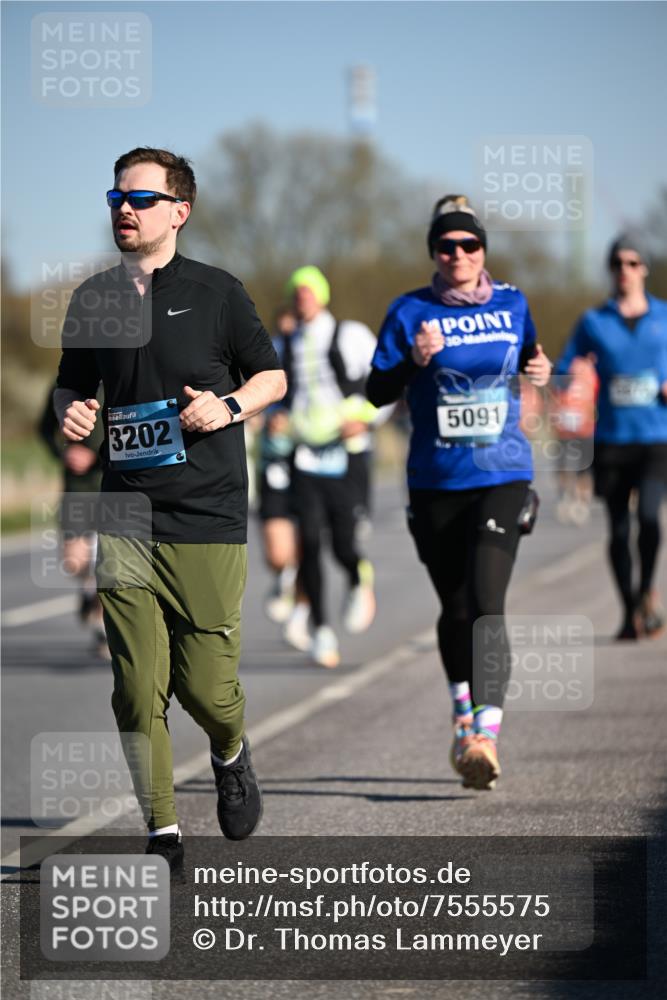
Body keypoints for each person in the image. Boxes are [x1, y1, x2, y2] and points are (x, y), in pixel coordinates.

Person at [53, 147, 286, 871]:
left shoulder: (217, 293)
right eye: (117, 198)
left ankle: (229, 748)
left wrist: (228, 406)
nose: (125, 209)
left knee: (208, 689)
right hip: (124, 511)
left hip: (207, 513)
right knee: (134, 688)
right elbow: (69, 386)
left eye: (142, 199)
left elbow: (273, 376)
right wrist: (72, 414)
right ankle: (162, 830)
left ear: (179, 211)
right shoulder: (93, 298)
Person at [367, 195, 551, 791]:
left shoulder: (513, 301)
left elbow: (530, 355)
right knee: (456, 608)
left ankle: (485, 736)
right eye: (446, 246)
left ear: (483, 252)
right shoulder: (408, 311)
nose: (459, 255)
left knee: (488, 602)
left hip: (502, 473)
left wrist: (541, 369)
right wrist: (413, 361)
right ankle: (462, 712)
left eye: (469, 245)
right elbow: (374, 392)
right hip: (435, 480)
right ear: (434, 254)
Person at [556, 234, 667, 639]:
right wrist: (575, 378)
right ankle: (628, 611)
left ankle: (645, 591)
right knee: (619, 529)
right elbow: (565, 368)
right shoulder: (593, 321)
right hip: (612, 439)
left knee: (651, 518)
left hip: (657, 436)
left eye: (634, 262)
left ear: (645, 269)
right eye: (619, 263)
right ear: (611, 269)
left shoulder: (664, 317)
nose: (626, 270)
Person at [281, 266, 380, 668]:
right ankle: (321, 629)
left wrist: (369, 417)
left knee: (341, 541)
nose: (302, 296)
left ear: (322, 295)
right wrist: (274, 415)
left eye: (309, 290)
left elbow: (386, 381)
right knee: (309, 541)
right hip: (303, 453)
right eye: (297, 291)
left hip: (347, 451)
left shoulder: (350, 334)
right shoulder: (284, 342)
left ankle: (358, 578)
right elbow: (276, 390)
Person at [38, 380, 109, 657]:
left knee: (111, 562)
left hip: (114, 485)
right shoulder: (63, 384)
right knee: (74, 561)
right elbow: (44, 429)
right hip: (76, 489)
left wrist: (96, 456)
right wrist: (64, 453)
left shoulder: (125, 378)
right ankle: (89, 590)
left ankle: (103, 631)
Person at [549, 356, 597, 526]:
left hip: (584, 427)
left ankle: (581, 501)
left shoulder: (592, 370)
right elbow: (555, 393)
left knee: (583, 467)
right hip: (565, 427)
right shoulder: (564, 366)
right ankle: (564, 496)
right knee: (563, 465)